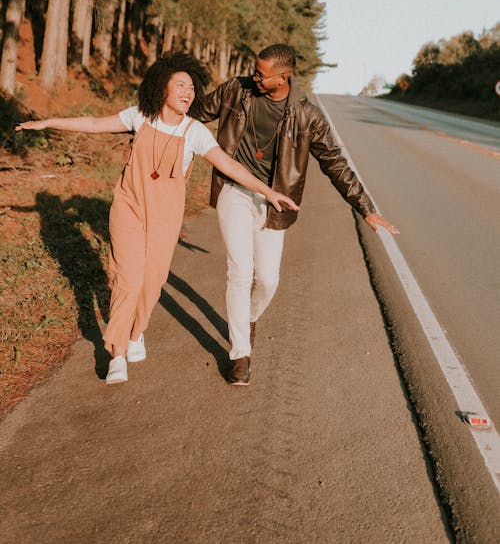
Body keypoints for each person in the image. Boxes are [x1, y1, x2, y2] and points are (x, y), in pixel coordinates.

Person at [16, 52, 297, 386]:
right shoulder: (140, 117)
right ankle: (117, 352)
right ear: (161, 89)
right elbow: (95, 124)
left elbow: (229, 165)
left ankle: (137, 333)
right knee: (128, 279)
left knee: (152, 281)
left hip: (166, 215)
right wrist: (49, 122)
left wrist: (268, 191)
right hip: (130, 206)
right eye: (180, 84)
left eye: (192, 87)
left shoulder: (195, 132)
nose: (187, 92)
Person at [199, 43, 399, 386]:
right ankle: (240, 354)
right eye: (254, 70)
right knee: (240, 272)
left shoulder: (308, 115)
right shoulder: (237, 90)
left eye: (262, 74)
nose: (254, 77)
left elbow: (335, 163)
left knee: (268, 280)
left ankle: (247, 318)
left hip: (276, 203)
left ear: (284, 77)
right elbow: (193, 114)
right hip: (234, 190)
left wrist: (366, 210)